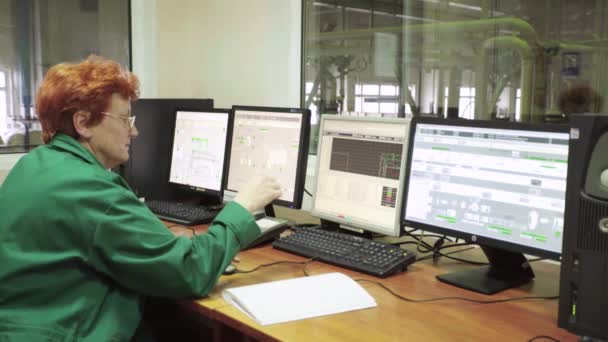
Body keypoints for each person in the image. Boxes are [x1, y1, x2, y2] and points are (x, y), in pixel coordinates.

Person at [0, 55, 281, 341]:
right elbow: (190, 272)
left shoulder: (33, 165)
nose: (134, 131)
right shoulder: (90, 188)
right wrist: (242, 208)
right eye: (124, 119)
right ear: (83, 123)